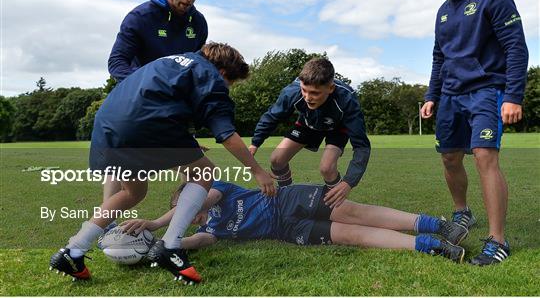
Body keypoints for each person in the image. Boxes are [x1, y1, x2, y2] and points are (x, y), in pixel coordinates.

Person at [49, 43, 276, 283]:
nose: (228, 88)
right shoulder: (211, 78)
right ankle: (171, 246)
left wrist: (183, 143)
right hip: (147, 127)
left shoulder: (170, 60)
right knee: (205, 172)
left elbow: (160, 100)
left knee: (133, 192)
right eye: (231, 83)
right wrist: (258, 171)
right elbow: (227, 135)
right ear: (223, 72)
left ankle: (73, 251)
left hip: (108, 126)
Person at [121, 180, 469, 283]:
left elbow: (204, 199)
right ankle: (429, 246)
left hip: (290, 200)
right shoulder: (212, 229)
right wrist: (165, 244)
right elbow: (199, 240)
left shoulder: (215, 192)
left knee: (353, 212)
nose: (190, 215)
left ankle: (437, 225)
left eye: (187, 206)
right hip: (289, 230)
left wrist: (156, 223)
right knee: (350, 235)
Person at [421, 0, 529, 266]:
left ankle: (497, 240)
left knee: (484, 156)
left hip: (486, 90)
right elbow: (439, 58)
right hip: (451, 96)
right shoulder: (443, 12)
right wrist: (431, 96)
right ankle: (462, 213)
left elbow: (516, 48)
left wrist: (512, 96)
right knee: (450, 159)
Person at [104, 0, 208, 222]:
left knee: (193, 161)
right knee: (122, 166)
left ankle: (185, 220)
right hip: (137, 104)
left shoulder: (198, 22)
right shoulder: (140, 18)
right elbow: (116, 62)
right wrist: (146, 87)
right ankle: (107, 224)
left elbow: (195, 66)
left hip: (177, 106)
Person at [249, 58, 370, 209]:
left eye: (314, 93)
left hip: (337, 128)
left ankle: (336, 208)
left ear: (330, 88)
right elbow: (272, 116)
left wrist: (348, 182)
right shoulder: (292, 91)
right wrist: (255, 143)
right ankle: (288, 196)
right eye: (304, 90)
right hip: (308, 123)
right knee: (276, 159)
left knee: (327, 168)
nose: (307, 97)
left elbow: (362, 147)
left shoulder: (347, 99)